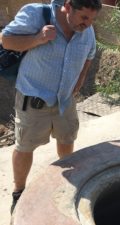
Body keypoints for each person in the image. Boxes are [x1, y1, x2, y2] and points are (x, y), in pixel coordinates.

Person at [1, 0, 102, 213]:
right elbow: (6, 40)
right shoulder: (37, 14)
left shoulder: (87, 29)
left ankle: (64, 180)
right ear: (67, 6)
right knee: (25, 146)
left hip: (65, 100)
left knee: (66, 140)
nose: (88, 24)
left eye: (92, 19)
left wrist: (81, 80)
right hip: (33, 100)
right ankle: (19, 192)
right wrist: (38, 38)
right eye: (84, 17)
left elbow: (90, 54)